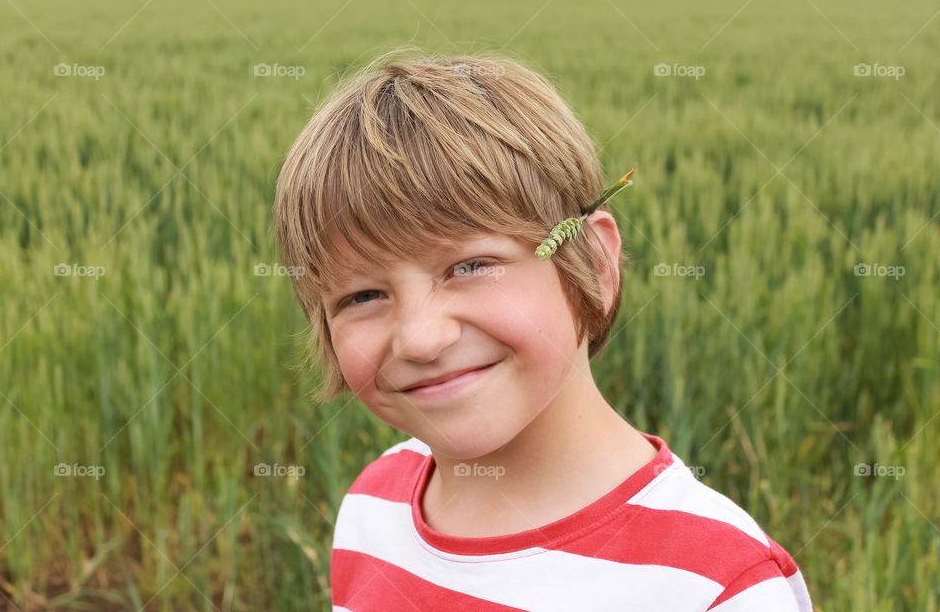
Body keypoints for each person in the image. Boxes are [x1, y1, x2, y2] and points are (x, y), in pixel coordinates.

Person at [273, 51, 813, 611]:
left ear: (596, 265)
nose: (420, 339)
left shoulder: (716, 584)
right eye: (362, 296)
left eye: (471, 266)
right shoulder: (372, 505)